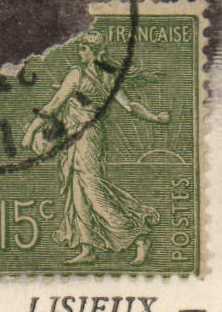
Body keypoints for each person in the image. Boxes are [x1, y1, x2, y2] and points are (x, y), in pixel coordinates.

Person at [22, 30, 169, 265]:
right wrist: (155, 118)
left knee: (93, 191)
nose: (80, 52)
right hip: (80, 137)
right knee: (78, 191)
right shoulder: (109, 77)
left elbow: (54, 105)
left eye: (84, 48)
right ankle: (87, 247)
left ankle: (139, 236)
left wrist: (30, 132)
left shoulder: (77, 75)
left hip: (85, 137)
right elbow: (130, 106)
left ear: (95, 52)